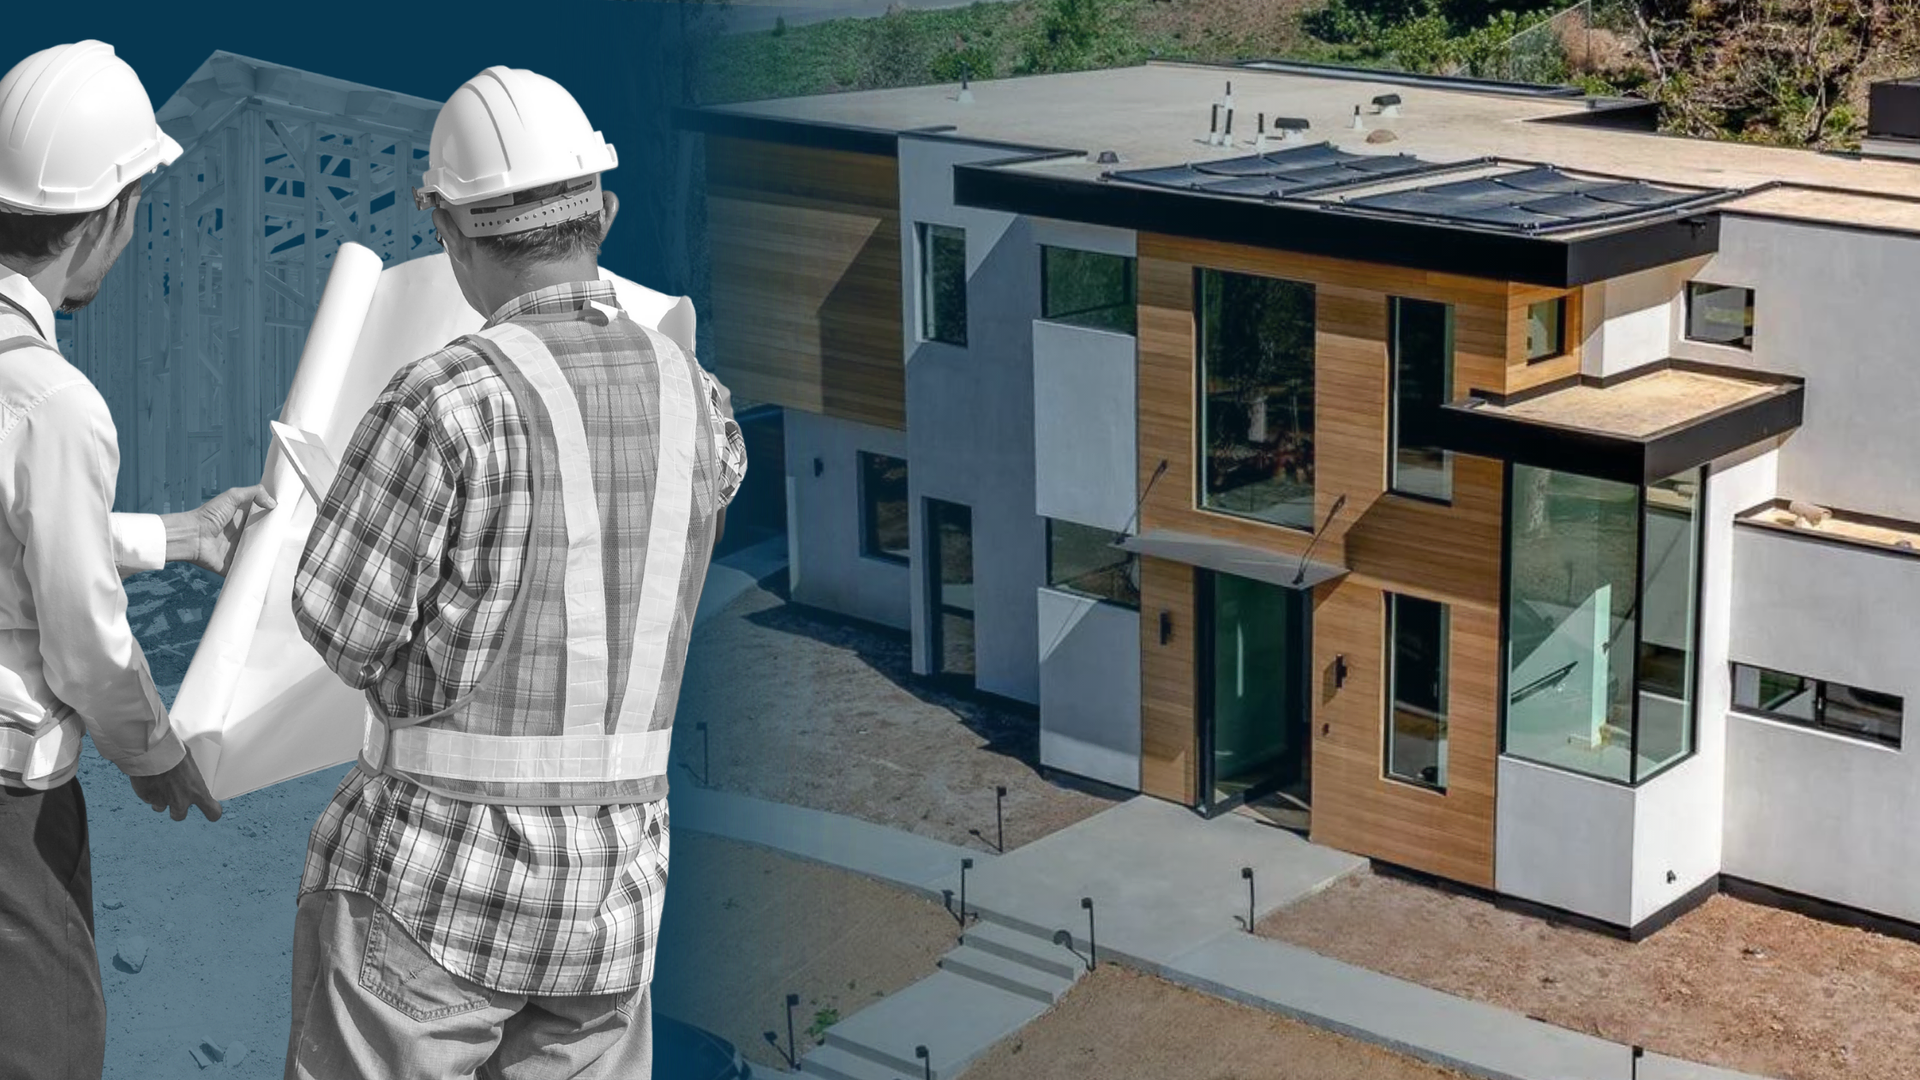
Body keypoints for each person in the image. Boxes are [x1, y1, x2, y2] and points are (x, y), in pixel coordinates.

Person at [285, 64, 744, 1080]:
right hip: (612, 906)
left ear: (449, 231)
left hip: (434, 889)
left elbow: (338, 626)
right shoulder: (699, 400)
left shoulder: (444, 399)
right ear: (604, 210)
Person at [0, 40, 276, 1080]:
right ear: (112, 211)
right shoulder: (56, 403)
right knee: (52, 1048)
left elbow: (15, 531)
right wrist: (156, 754)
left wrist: (177, 535)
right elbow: (80, 644)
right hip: (11, 807)